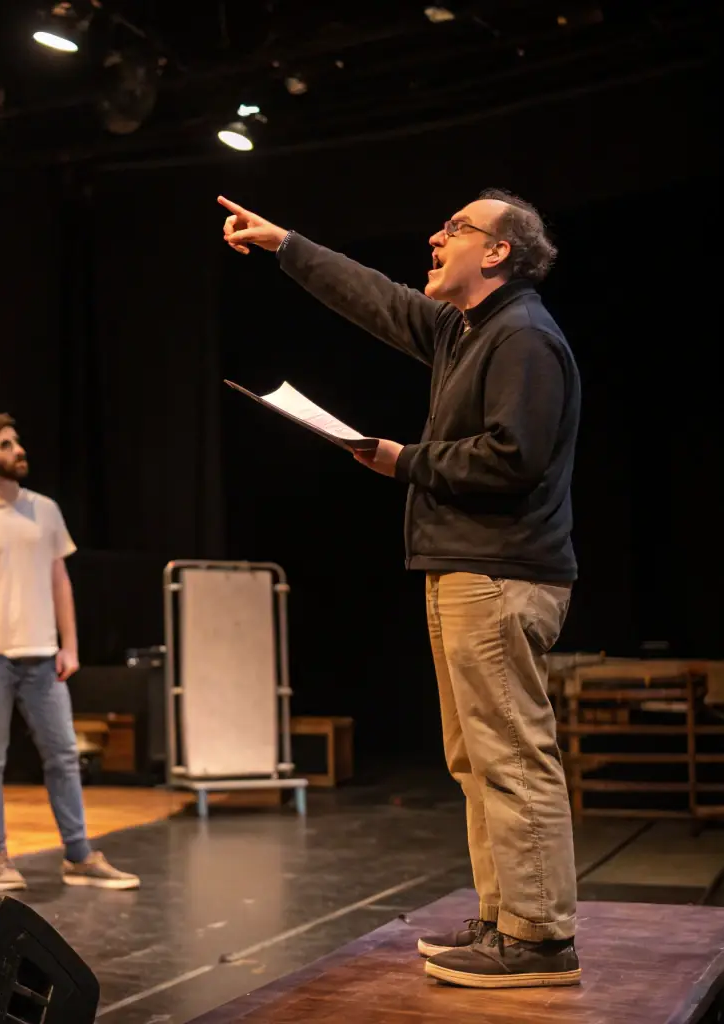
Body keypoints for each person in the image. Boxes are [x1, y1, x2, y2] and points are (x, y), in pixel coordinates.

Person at [219, 191, 580, 989]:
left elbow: (511, 457)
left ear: (495, 254)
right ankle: (504, 919)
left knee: (512, 758)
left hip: (499, 572)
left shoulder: (521, 336)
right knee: (475, 759)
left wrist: (400, 458)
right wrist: (286, 243)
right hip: (463, 569)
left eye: (454, 229)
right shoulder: (464, 328)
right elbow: (376, 300)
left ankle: (540, 938)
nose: (434, 235)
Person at [0, 414, 140, 893]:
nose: (19, 449)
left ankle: (79, 854)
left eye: (18, 441)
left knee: (64, 754)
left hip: (43, 655)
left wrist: (70, 644)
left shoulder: (45, 510)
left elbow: (59, 581)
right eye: (7, 445)